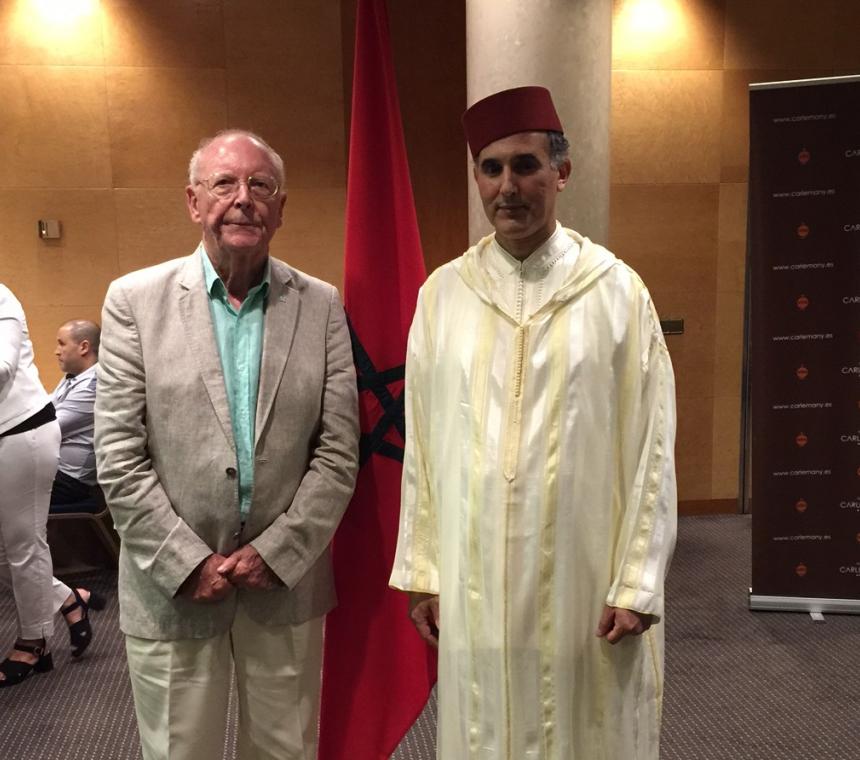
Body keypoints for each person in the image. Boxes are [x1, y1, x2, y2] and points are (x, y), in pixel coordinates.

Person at [390, 86, 678, 759]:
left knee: (586, 728)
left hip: (585, 578)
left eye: (525, 166)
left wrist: (637, 581)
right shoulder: (444, 295)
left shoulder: (616, 293)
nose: (507, 187)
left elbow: (654, 447)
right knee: (487, 726)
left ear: (561, 173)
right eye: (491, 169)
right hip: (474, 573)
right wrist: (426, 570)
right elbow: (423, 446)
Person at [94, 129, 359, 759]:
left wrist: (281, 551)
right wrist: (185, 561)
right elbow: (118, 454)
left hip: (285, 582)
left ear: (281, 208)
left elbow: (338, 450)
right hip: (172, 585)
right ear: (193, 201)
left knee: (285, 750)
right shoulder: (134, 301)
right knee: (180, 752)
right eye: (224, 184)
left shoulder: (320, 305)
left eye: (260, 185)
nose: (243, 199)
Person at [0, 288, 103, 688]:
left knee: (24, 545)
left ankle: (35, 641)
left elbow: (5, 367)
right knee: (6, 551)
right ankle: (65, 598)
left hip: (23, 433)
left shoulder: (1, 297)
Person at [51, 319, 101, 505]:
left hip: (69, 482)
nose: (56, 351)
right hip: (54, 472)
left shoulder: (93, 385)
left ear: (84, 347)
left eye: (62, 343)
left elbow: (48, 428)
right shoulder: (73, 377)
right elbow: (43, 406)